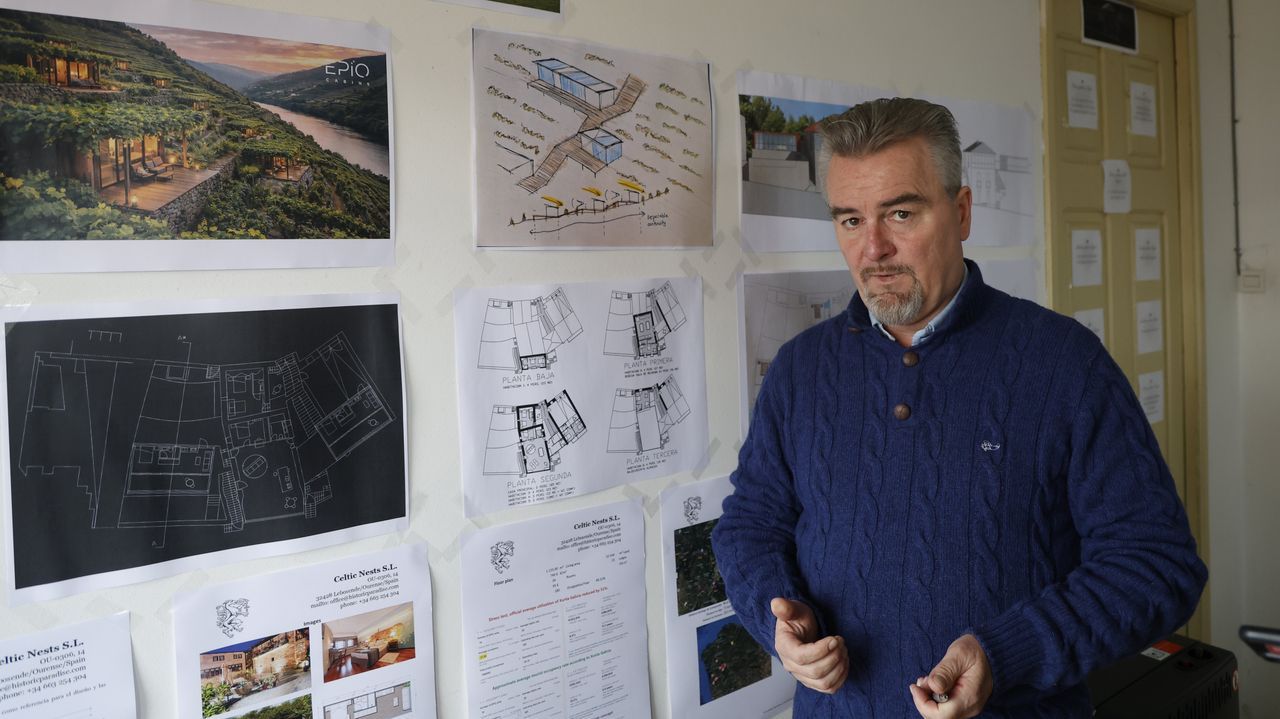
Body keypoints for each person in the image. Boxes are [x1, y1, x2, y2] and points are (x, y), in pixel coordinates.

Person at [711, 97, 1207, 718]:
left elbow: (1157, 567)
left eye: (900, 213)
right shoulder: (799, 370)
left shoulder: (1063, 365)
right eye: (850, 221)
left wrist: (1006, 654)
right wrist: (776, 615)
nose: (874, 249)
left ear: (962, 212)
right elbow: (749, 528)